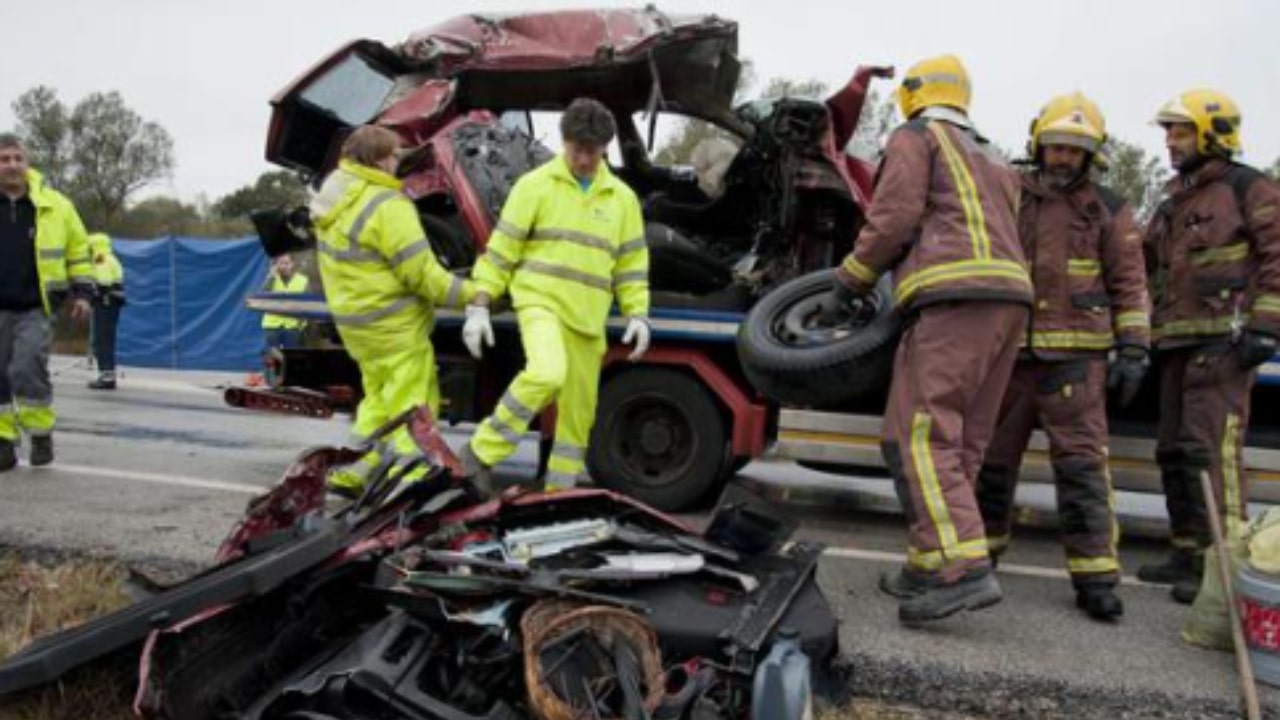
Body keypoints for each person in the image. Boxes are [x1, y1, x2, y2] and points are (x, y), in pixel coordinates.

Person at [827, 55, 1032, 625]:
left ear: (914, 94)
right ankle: (928, 559)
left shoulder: (918, 136)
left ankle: (961, 569)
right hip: (1009, 301)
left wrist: (851, 279)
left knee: (919, 434)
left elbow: (893, 217)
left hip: (953, 297)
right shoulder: (992, 153)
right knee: (960, 441)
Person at [974, 93, 1150, 621]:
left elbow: (1129, 281)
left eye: (1076, 150)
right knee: (990, 466)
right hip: (1010, 357)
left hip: (1078, 361)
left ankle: (1096, 578)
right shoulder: (1008, 193)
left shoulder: (1109, 208)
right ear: (1039, 143)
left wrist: (1135, 346)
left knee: (1081, 471)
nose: (1064, 157)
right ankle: (978, 560)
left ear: (1090, 155)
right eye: (1056, 147)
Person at [459, 98, 651, 494]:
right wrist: (479, 302)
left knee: (579, 414)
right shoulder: (535, 186)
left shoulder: (622, 199)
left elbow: (631, 264)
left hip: (588, 316)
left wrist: (638, 313)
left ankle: (558, 493)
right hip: (540, 302)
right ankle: (480, 453)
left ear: (605, 149)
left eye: (592, 151)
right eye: (577, 149)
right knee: (546, 373)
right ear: (565, 142)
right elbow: (502, 250)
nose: (584, 159)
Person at [1138, 89, 1280, 603]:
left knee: (1212, 454)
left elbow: (1276, 256)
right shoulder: (1176, 197)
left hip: (1224, 343)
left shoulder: (1250, 188)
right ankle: (1186, 553)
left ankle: (1221, 568)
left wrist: (1267, 327)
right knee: (1174, 451)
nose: (1171, 143)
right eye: (1169, 133)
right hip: (1176, 342)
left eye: (1180, 131)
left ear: (1212, 133)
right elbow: (1141, 255)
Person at [310, 125, 477, 497]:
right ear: (381, 159)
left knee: (379, 401)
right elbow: (424, 277)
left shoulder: (334, 201)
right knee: (412, 408)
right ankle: (410, 480)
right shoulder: (388, 206)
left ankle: (354, 468)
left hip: (358, 327)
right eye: (395, 155)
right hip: (396, 327)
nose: (398, 163)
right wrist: (476, 294)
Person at [0, 133, 93, 471]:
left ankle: (40, 433)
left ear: (27, 163)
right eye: (4, 159)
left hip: (35, 307)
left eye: (16, 158)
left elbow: (79, 252)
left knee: (26, 368)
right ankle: (4, 443)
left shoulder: (57, 206)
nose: (11, 165)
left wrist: (83, 294)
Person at [87, 232, 126, 390]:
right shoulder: (111, 258)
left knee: (102, 340)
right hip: (111, 304)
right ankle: (107, 374)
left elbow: (103, 283)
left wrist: (90, 288)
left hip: (105, 304)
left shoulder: (100, 259)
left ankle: (106, 377)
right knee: (106, 339)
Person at [260, 253, 309, 351]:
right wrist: (271, 277)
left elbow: (307, 302)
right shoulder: (271, 279)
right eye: (281, 263)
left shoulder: (303, 280)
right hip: (272, 326)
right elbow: (262, 295)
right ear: (276, 265)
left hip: (293, 326)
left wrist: (300, 323)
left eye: (287, 263)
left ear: (292, 264)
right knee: (275, 358)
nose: (284, 266)